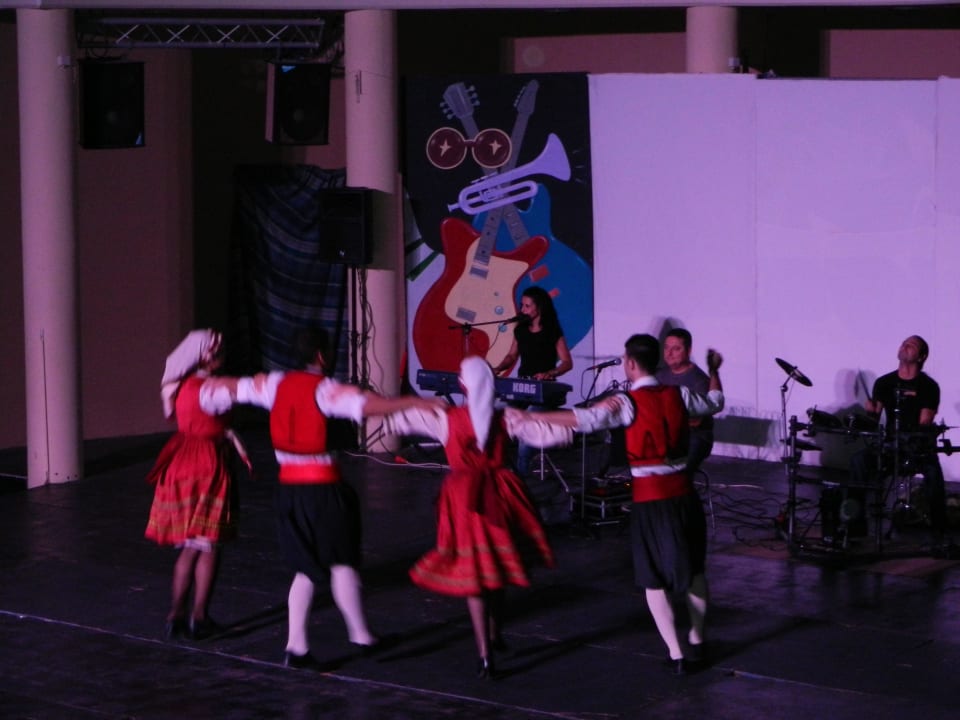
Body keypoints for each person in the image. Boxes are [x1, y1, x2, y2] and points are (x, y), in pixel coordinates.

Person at [506, 334, 724, 674]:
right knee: (694, 571)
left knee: (653, 579)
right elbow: (714, 401)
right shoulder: (679, 394)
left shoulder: (625, 403)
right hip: (684, 496)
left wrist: (533, 419)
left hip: (652, 501)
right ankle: (697, 639)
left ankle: (677, 655)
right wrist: (714, 370)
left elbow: (583, 420)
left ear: (632, 364)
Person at [234, 327, 443, 669]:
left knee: (306, 567)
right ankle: (358, 637)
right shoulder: (325, 390)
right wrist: (416, 401)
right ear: (321, 355)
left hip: (288, 492)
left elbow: (235, 388)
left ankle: (298, 646)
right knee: (341, 560)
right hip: (322, 490)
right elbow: (371, 405)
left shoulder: (274, 384)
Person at [381, 356, 560, 679]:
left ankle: (485, 654)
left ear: (462, 385)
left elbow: (401, 422)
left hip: (465, 499)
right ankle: (494, 634)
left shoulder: (448, 418)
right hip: (501, 494)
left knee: (476, 575)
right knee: (497, 567)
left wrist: (397, 411)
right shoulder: (504, 418)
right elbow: (544, 433)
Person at [145, 329, 250, 641]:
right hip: (206, 462)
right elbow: (241, 394)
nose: (222, 357)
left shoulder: (179, 387)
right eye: (218, 352)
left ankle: (176, 613)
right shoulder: (210, 389)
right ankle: (199, 615)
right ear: (206, 356)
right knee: (208, 544)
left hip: (181, 459)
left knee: (192, 545)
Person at [849, 335, 950, 552]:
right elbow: (874, 420)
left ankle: (939, 532)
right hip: (889, 445)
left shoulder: (929, 387)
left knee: (933, 473)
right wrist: (871, 412)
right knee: (859, 461)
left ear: (922, 357)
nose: (905, 345)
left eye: (912, 345)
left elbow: (925, 422)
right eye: (904, 343)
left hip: (916, 447)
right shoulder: (884, 383)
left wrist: (910, 439)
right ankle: (855, 527)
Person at [492, 286, 573, 479]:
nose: (523, 310)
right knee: (497, 411)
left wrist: (550, 372)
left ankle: (519, 475)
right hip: (521, 386)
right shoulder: (520, 330)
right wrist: (497, 368)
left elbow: (567, 362)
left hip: (544, 391)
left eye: (528, 306)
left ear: (539, 308)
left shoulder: (553, 331)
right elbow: (512, 356)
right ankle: (498, 468)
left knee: (528, 419)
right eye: (522, 305)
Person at [656, 328, 717, 474]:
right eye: (666, 348)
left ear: (688, 351)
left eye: (676, 349)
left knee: (677, 472)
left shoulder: (700, 380)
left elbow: (696, 421)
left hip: (694, 436)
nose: (669, 354)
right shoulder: (659, 375)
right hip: (666, 435)